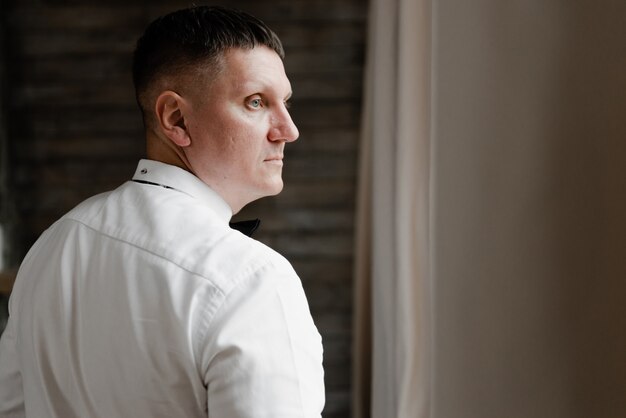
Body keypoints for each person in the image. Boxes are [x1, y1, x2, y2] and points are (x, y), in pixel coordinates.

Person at [0, 6, 325, 417]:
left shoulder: (50, 248)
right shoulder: (250, 278)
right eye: (256, 102)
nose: (288, 130)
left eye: (287, 103)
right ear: (176, 118)